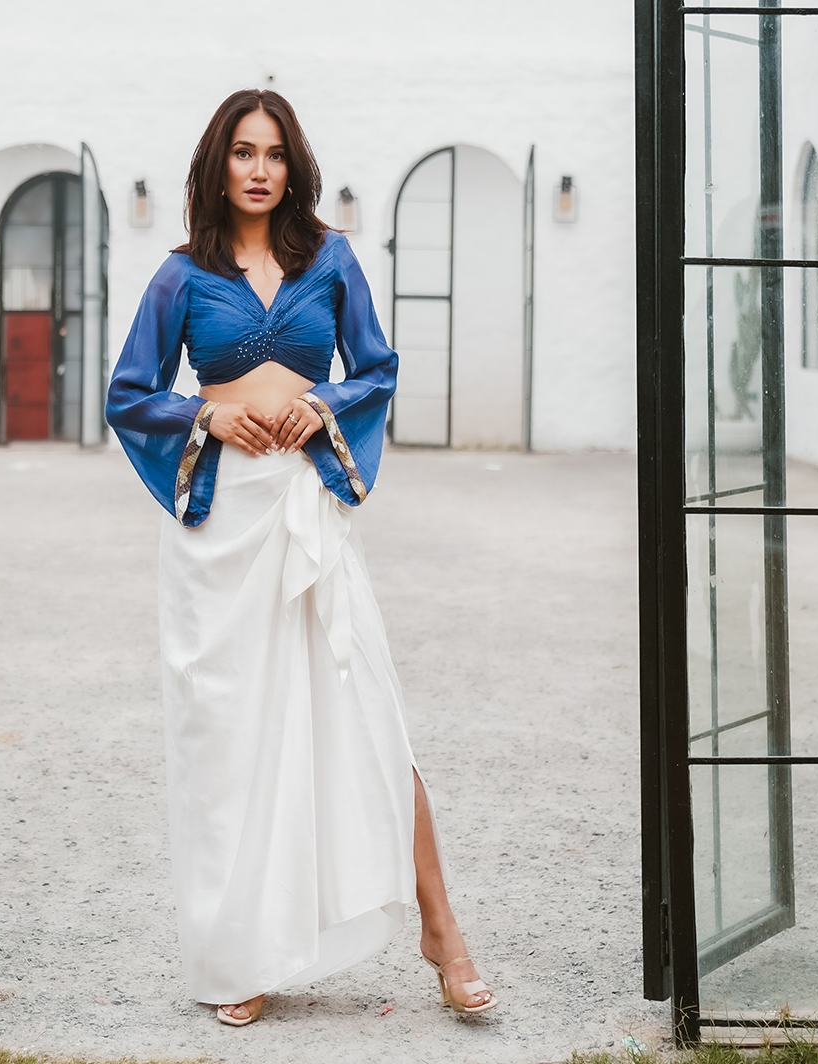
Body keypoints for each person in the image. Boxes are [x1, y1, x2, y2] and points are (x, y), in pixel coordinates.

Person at [106, 88, 495, 1027]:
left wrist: (320, 407)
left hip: (307, 511)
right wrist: (210, 411)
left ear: (294, 166)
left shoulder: (331, 261)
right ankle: (239, 953)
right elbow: (129, 394)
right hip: (220, 525)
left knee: (367, 714)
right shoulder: (180, 276)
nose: (258, 168)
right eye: (242, 152)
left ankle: (442, 931)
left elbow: (378, 370)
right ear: (218, 163)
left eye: (274, 153)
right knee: (231, 742)